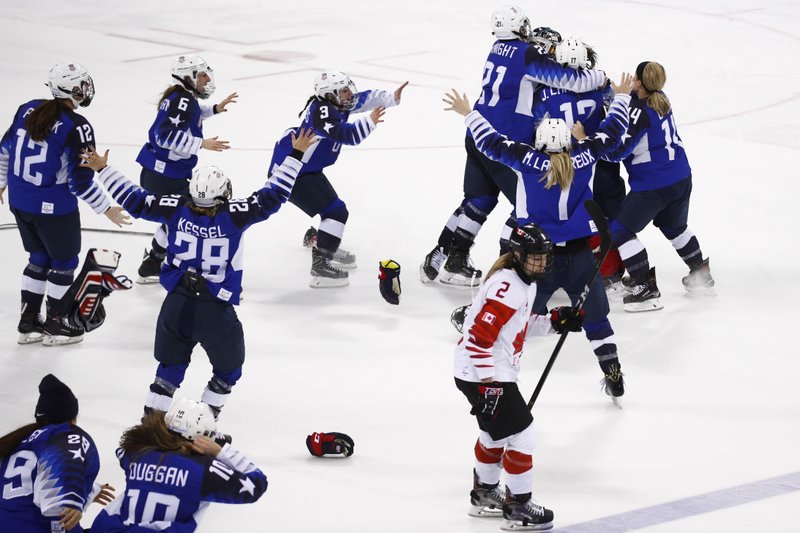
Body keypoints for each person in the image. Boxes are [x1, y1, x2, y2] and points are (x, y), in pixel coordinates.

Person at [79, 127, 317, 423]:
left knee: (168, 369)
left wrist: (103, 168)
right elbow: (274, 194)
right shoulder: (235, 214)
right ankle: (202, 423)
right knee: (228, 370)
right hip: (214, 308)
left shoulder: (175, 208)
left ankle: (151, 427)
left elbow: (135, 199)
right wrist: (296, 155)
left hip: (175, 304)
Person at [443, 72, 633, 403]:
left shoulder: (529, 161)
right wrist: (622, 97)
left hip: (535, 259)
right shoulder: (583, 157)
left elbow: (490, 142)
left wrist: (468, 112)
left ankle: (480, 333)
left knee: (517, 318)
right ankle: (612, 372)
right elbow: (613, 133)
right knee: (597, 320)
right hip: (579, 258)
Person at [420, 7, 608, 287]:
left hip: (477, 132)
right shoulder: (527, 56)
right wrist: (602, 78)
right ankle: (507, 271)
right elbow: (572, 80)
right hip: (502, 143)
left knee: (478, 200)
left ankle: (445, 255)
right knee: (525, 205)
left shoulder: (497, 47)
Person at [454, 223, 585, 530]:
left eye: (544, 256)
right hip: (484, 373)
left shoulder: (521, 282)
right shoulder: (510, 287)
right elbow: (478, 337)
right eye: (534, 256)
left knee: (495, 434)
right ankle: (519, 507)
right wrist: (489, 385)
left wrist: (555, 321)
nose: (541, 262)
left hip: (475, 370)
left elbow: (515, 330)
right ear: (517, 254)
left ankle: (484, 494)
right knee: (523, 434)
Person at [0, 62, 130, 346]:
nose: (87, 89)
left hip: (20, 202)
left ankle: (28, 321)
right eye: (82, 85)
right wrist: (106, 208)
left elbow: (5, 149)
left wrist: (0, 183)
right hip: (54, 208)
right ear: (71, 89)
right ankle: (58, 323)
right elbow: (79, 183)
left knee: (38, 258)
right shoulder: (77, 126)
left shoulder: (27, 108)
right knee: (63, 263)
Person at [268, 71, 408, 288]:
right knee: (336, 211)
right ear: (329, 95)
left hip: (305, 168)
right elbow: (348, 135)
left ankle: (320, 241)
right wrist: (370, 122)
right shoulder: (322, 112)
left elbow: (365, 97)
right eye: (343, 91)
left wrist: (391, 97)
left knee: (332, 210)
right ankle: (321, 265)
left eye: (347, 88)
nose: (349, 94)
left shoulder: (335, 102)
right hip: (291, 171)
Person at [606, 61, 715, 312]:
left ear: (641, 83)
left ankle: (645, 288)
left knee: (620, 231)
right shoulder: (660, 98)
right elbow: (637, 104)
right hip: (681, 177)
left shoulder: (638, 112)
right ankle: (701, 275)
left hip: (654, 185)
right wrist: (622, 96)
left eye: (635, 79)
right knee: (675, 227)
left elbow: (617, 153)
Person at [532, 37, 627, 291]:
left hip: (564, 162)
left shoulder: (544, 91)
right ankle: (613, 273)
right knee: (609, 216)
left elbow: (534, 126)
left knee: (561, 215)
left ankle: (551, 273)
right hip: (599, 156)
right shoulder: (600, 85)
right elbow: (615, 115)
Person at [91, 398, 267, 532]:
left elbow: (122, 452)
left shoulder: (137, 454)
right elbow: (256, 485)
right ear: (203, 437)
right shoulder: (203, 470)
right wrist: (220, 452)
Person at [135, 55, 238, 284]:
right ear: (187, 76)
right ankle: (157, 265)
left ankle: (152, 263)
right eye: (201, 75)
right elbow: (162, 136)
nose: (205, 80)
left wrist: (215, 109)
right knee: (183, 219)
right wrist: (201, 143)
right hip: (164, 175)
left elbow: (189, 116)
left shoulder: (181, 97)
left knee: (174, 218)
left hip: (162, 172)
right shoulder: (181, 99)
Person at [0, 374, 115, 532]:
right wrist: (72, 499)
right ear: (71, 418)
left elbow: (27, 493)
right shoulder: (65, 434)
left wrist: (89, 491)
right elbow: (58, 503)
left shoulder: (19, 443)